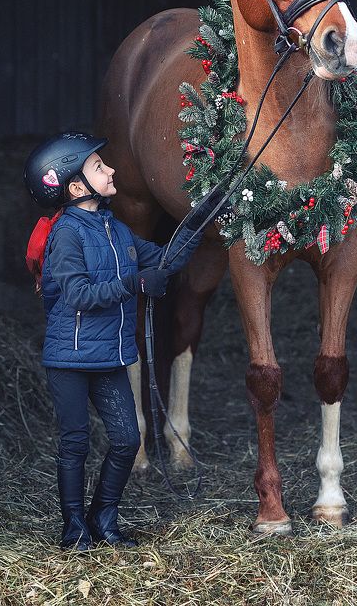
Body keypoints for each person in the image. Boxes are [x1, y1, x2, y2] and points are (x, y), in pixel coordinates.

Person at [23, 131, 224, 551]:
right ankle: (74, 527)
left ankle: (104, 516)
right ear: (76, 187)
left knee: (128, 440)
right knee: (75, 442)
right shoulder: (67, 236)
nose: (110, 169)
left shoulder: (115, 229)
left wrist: (201, 215)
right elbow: (77, 295)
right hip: (71, 359)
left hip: (110, 356)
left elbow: (164, 260)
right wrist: (135, 283)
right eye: (99, 167)